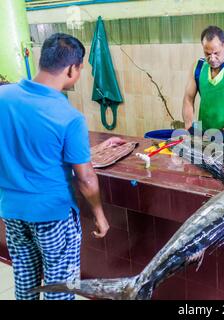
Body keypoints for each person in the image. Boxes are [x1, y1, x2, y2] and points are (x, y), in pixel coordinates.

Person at [0, 33, 110, 300]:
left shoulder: (3, 96)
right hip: (53, 216)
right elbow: (85, 178)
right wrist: (98, 214)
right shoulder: (69, 117)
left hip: (12, 212)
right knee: (60, 287)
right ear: (73, 69)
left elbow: (28, 145)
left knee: (25, 281)